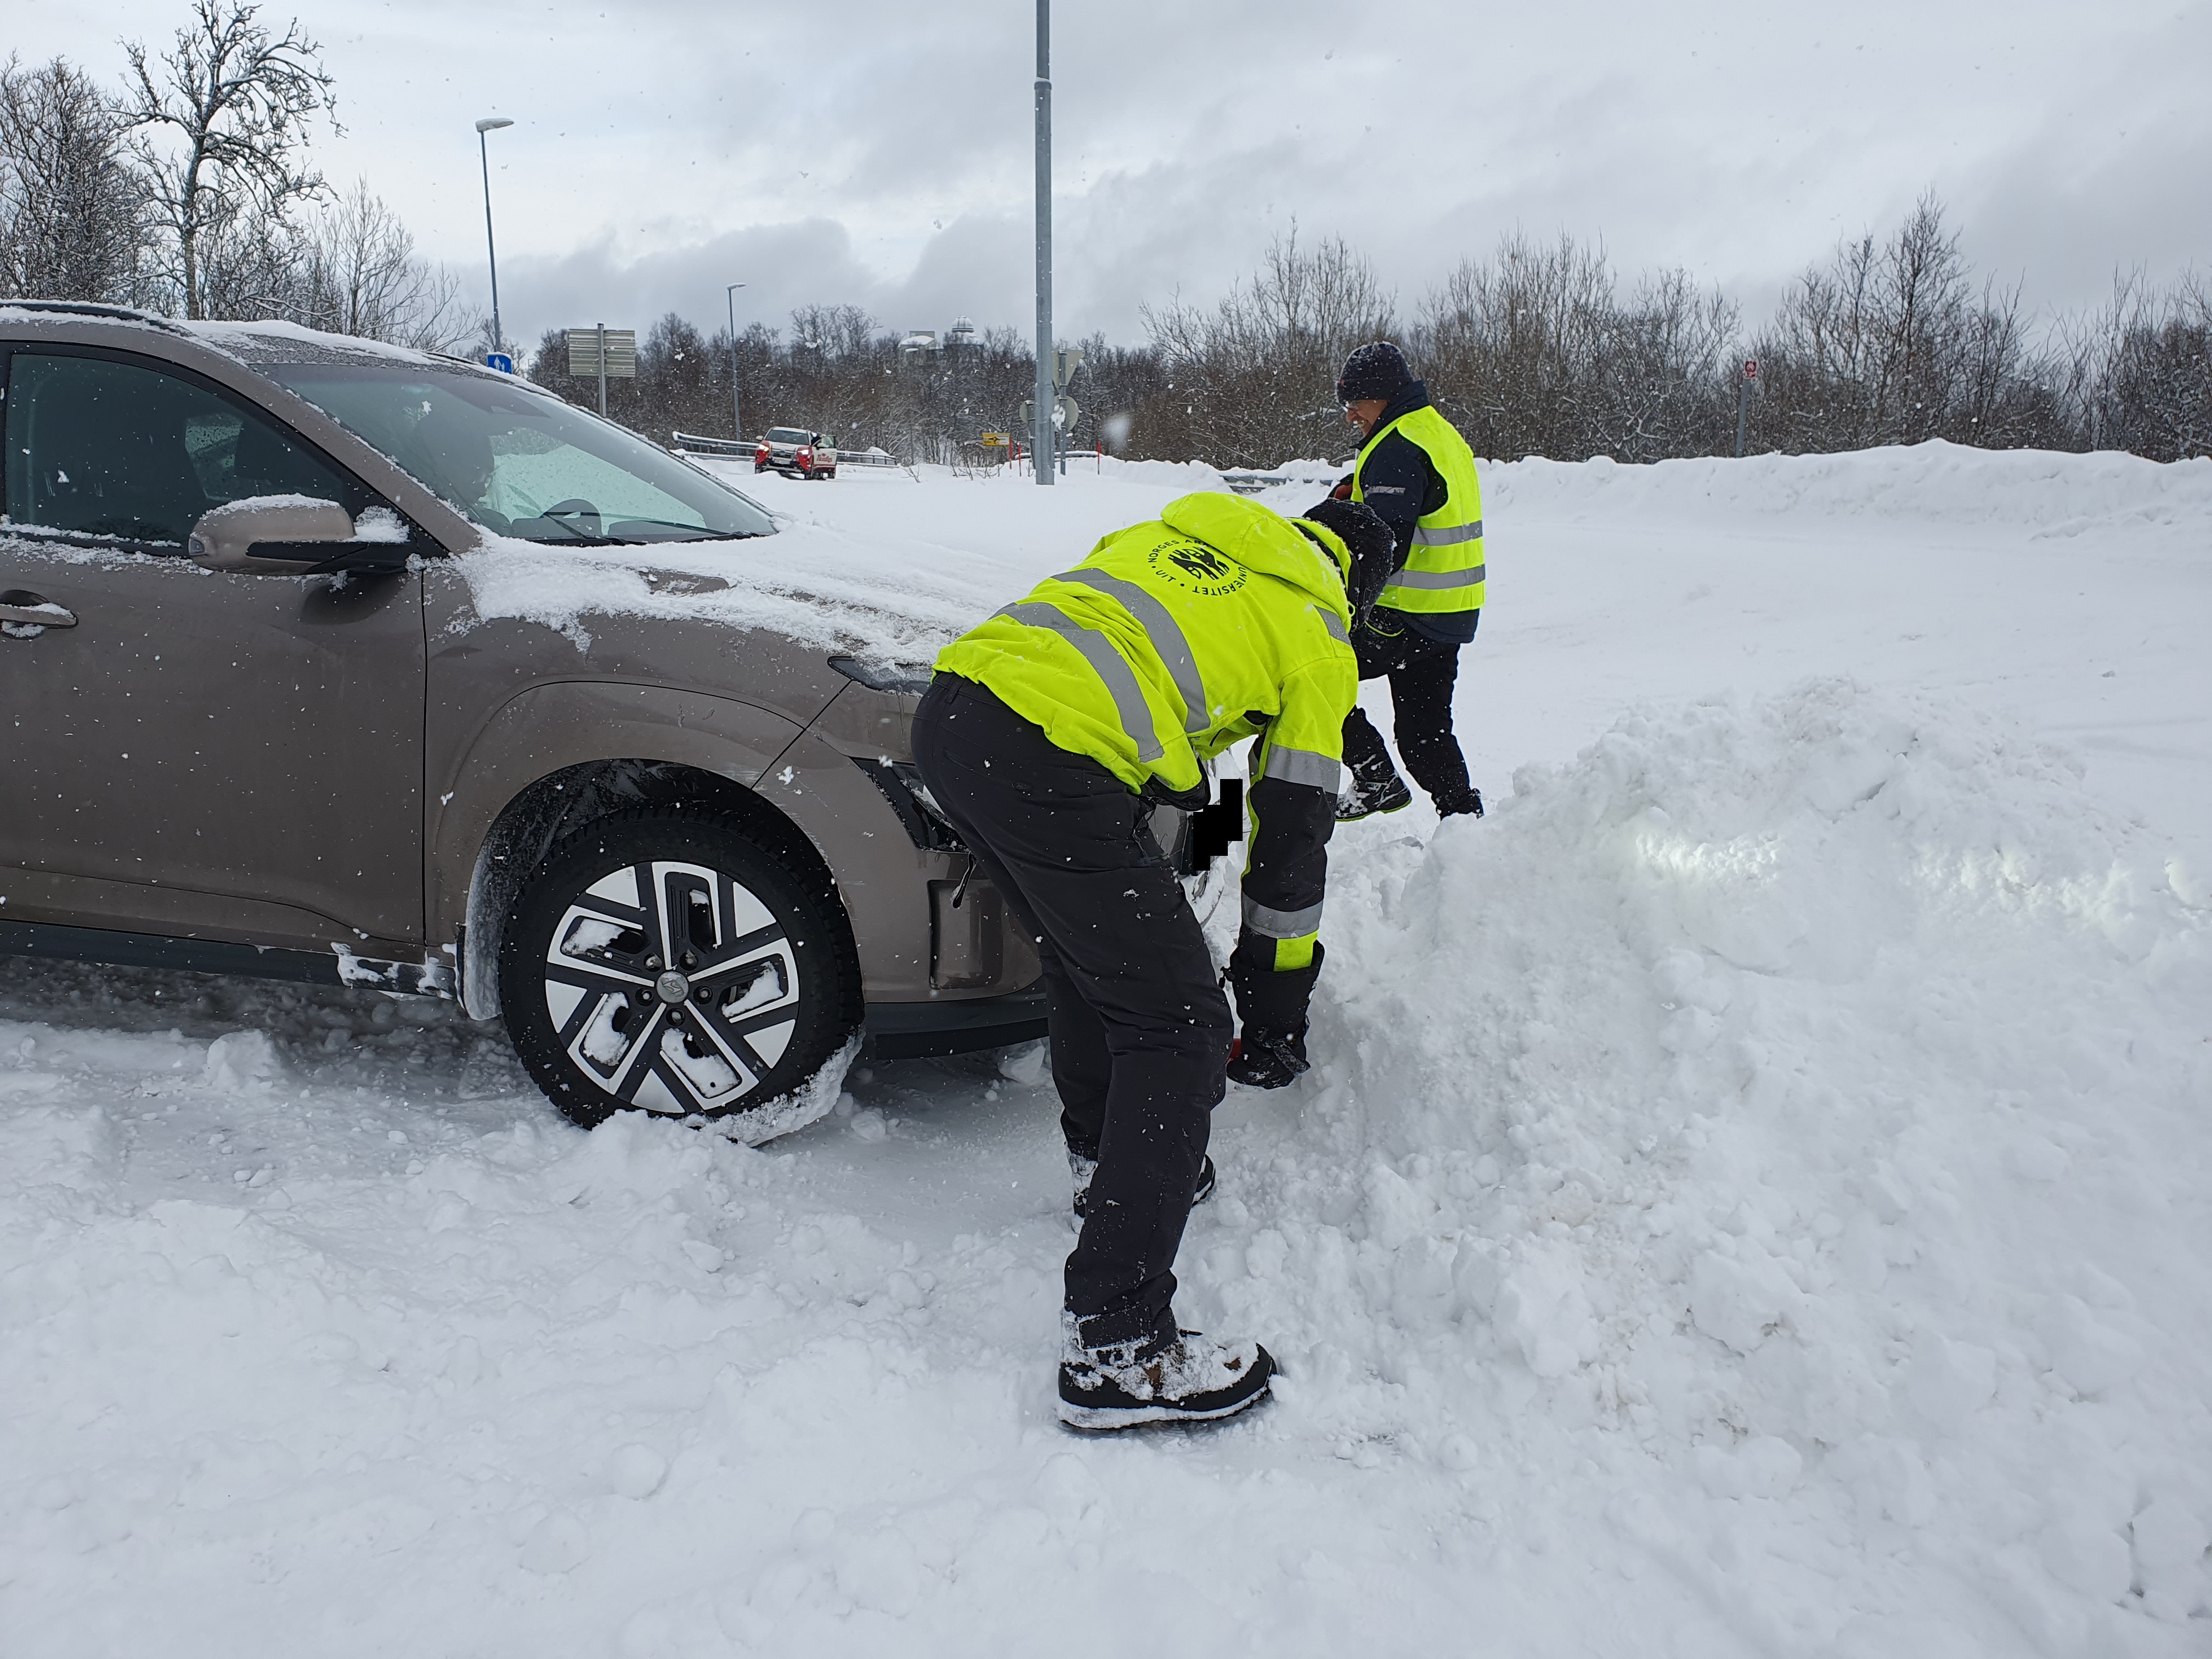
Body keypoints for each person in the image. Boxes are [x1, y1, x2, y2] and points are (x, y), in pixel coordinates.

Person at [912, 490, 1395, 1430]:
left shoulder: (1182, 534)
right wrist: (1271, 1004)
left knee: (1088, 962)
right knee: (1180, 1026)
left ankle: (1104, 1163)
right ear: (1357, 589)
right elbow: (1289, 849)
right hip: (1053, 761)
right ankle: (1118, 1344)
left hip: (956, 716)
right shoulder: (1316, 635)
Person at [1330, 341, 1488, 822]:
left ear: (1382, 395)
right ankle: (1467, 827)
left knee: (1305, 675)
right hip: (1448, 615)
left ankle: (1374, 774)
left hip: (1402, 615)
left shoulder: (1396, 446)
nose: (1351, 415)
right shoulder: (1436, 431)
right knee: (1425, 732)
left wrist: (1327, 569)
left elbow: (1381, 545)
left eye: (1356, 402)